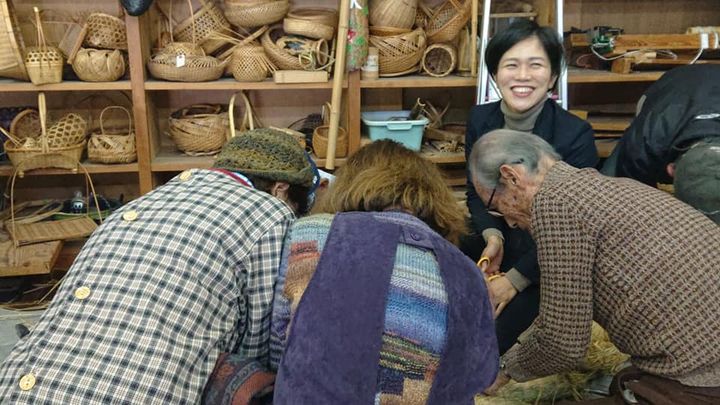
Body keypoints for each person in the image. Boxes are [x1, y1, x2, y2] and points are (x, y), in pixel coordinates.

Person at [0, 128, 315, 404]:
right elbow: (255, 346)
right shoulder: (271, 214)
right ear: (280, 189)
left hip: (20, 384)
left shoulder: (146, 201)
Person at [468, 129, 720, 404]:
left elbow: (561, 343)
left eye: (496, 206)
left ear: (511, 177)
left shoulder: (555, 205)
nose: (510, 222)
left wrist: (501, 371)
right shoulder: (595, 186)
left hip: (702, 379)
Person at [268, 140, 499, 404]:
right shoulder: (468, 272)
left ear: (348, 184)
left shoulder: (310, 234)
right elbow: (478, 374)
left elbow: (279, 344)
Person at [464, 18, 598, 355]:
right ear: (495, 74)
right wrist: (491, 237)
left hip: (550, 254)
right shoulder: (480, 120)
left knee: (489, 345)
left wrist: (514, 281)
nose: (522, 76)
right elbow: (475, 193)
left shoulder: (575, 135)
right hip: (500, 236)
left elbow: (575, 228)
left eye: (535, 65)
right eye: (511, 65)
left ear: (552, 76)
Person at [603, 64, 720, 224]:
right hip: (670, 89)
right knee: (609, 196)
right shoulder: (645, 142)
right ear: (671, 169)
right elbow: (626, 200)